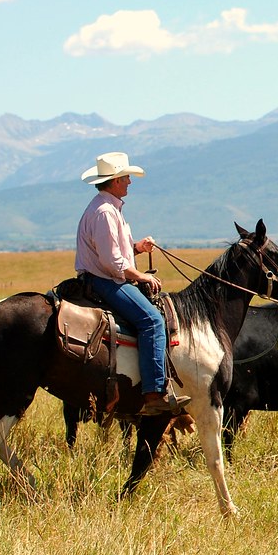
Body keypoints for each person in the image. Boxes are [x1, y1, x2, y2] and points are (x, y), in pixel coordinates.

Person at [75, 152, 191, 416]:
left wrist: (136, 248)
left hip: (104, 275)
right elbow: (111, 262)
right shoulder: (105, 212)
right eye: (126, 177)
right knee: (152, 320)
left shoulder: (107, 208)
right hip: (104, 281)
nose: (129, 182)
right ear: (115, 180)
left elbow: (113, 252)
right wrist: (141, 276)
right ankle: (154, 394)